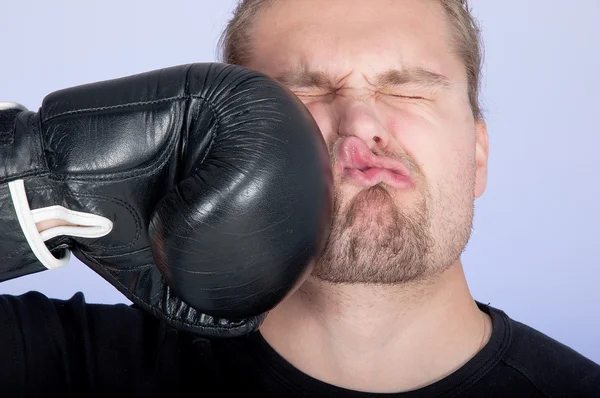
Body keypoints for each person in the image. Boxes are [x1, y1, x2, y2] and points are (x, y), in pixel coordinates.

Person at [0, 1, 598, 397]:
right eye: (304, 90)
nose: (360, 123)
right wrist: (29, 177)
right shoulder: (60, 365)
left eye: (410, 91)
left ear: (478, 154)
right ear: (223, 132)